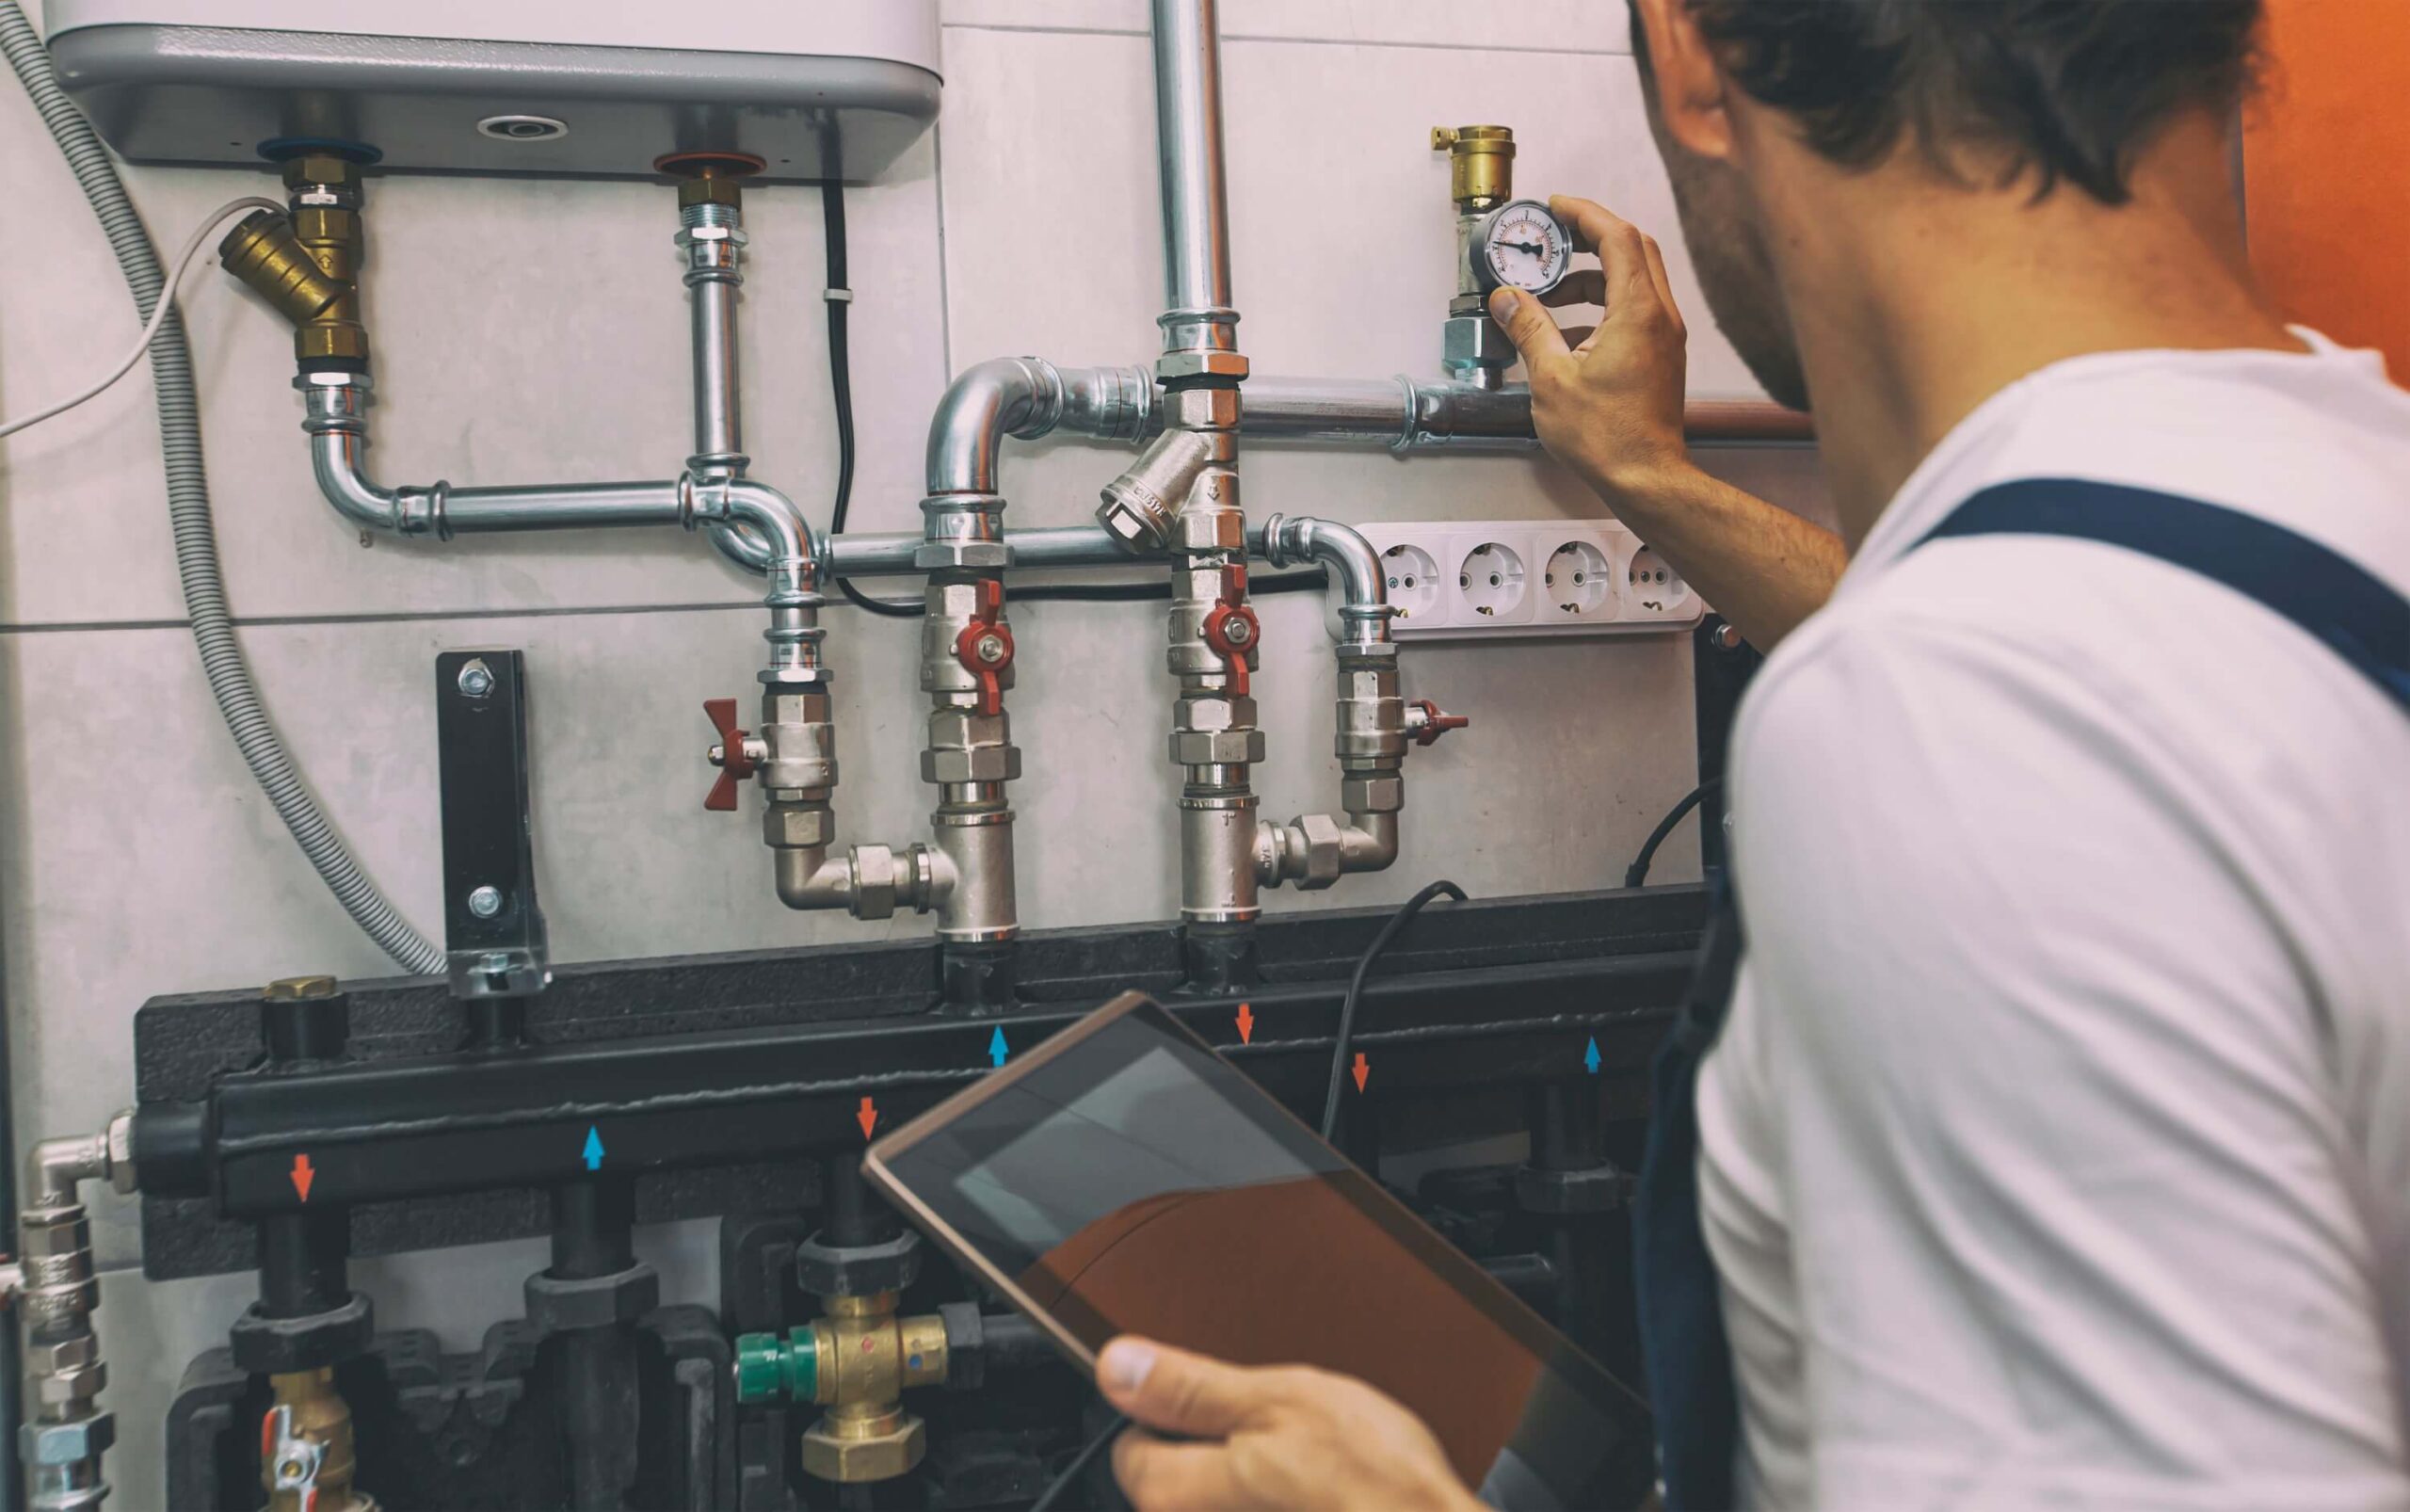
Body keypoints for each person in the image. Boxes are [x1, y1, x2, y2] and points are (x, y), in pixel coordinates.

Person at [1095, 0, 2410, 1506]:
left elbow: (2025, 713)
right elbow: (2113, 661)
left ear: (1692, 49)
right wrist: (1652, 478)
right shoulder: (2342, 491)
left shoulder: (1964, 727)